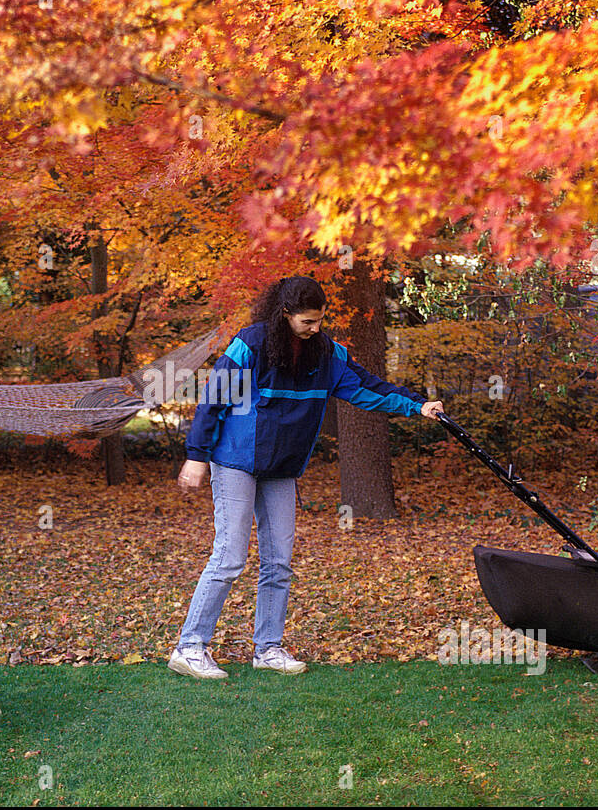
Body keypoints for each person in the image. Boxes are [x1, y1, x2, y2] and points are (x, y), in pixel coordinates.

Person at [169, 275, 444, 679]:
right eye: (307, 322)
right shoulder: (251, 343)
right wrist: (196, 455)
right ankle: (190, 648)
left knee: (278, 562)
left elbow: (367, 387)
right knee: (229, 558)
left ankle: (267, 649)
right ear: (285, 315)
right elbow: (215, 397)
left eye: (319, 320)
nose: (315, 327)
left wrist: (416, 406)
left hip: (282, 468)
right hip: (235, 461)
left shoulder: (327, 353)